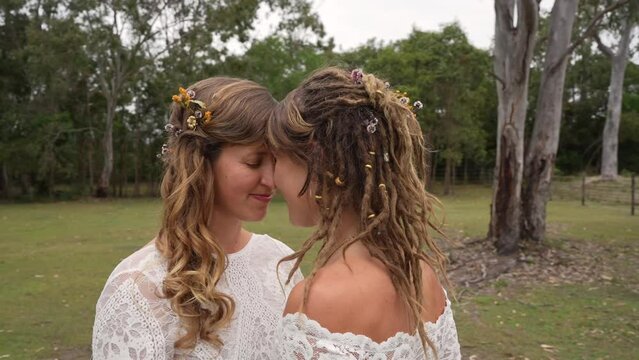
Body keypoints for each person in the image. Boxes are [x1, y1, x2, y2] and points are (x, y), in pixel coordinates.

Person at [92, 77, 302, 359]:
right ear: (201, 162)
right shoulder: (138, 289)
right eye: (254, 162)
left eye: (275, 161)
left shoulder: (281, 263)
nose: (270, 179)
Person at [268, 67, 461, 359]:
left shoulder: (316, 300)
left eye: (276, 159)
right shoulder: (421, 275)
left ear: (317, 161)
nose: (271, 178)